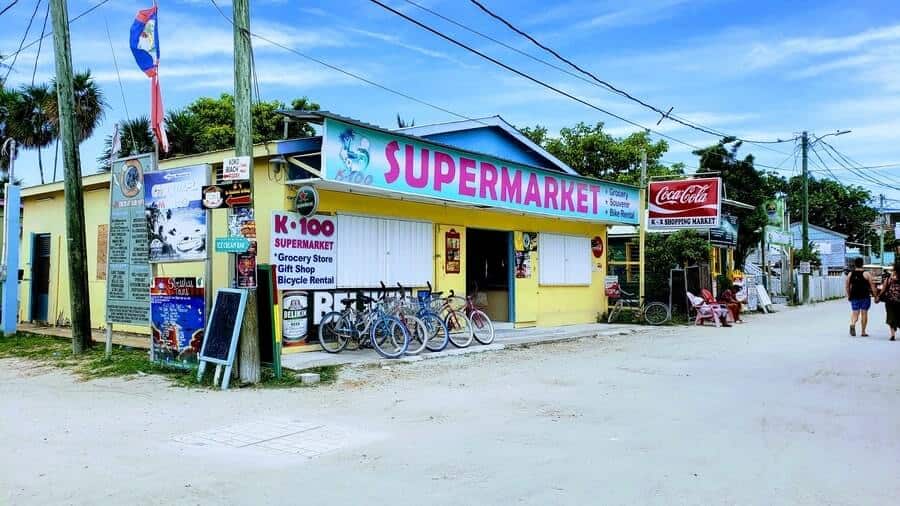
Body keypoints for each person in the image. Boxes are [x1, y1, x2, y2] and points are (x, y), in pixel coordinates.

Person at [845, 257, 876, 337]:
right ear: (862, 264)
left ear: (855, 264)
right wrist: (876, 295)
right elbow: (872, 286)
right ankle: (863, 331)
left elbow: (847, 286)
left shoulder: (850, 274)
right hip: (865, 296)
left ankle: (852, 324)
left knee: (855, 312)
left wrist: (849, 295)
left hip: (854, 295)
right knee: (864, 313)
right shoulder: (866, 274)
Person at [878, 260, 900, 341]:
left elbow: (883, 289)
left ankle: (892, 335)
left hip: (890, 301)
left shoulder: (889, 278)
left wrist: (878, 296)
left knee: (890, 316)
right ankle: (896, 326)